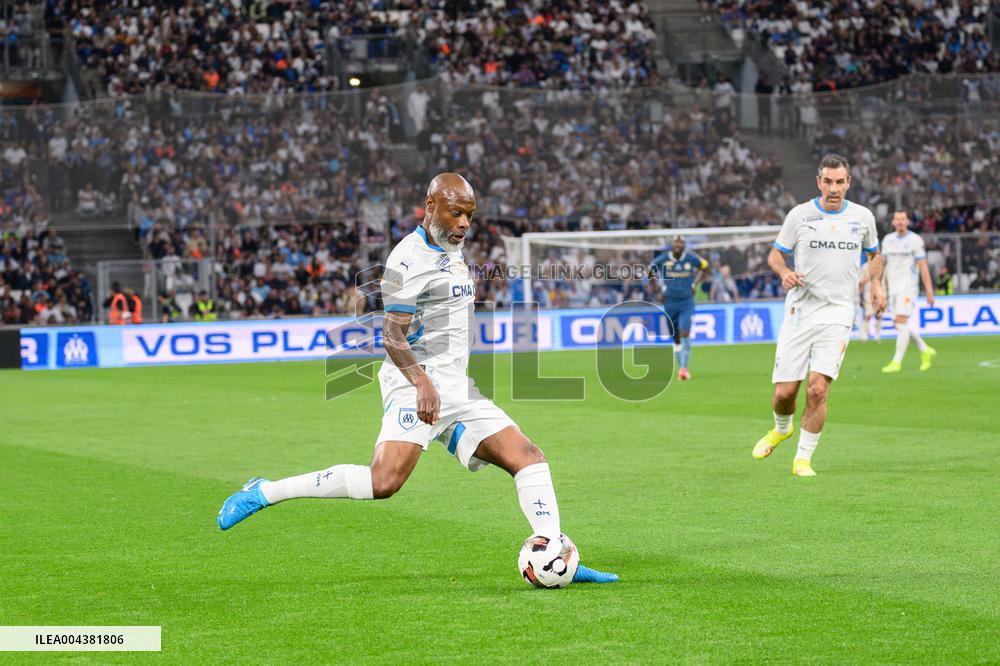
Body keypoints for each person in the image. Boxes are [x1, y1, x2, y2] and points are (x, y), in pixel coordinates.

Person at [217, 173, 618, 584]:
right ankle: (265, 491)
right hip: (415, 385)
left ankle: (555, 554)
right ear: (429, 206)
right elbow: (391, 334)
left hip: (456, 388)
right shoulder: (405, 261)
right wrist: (423, 383)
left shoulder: (451, 248)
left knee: (529, 459)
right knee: (384, 481)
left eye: (469, 215)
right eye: (455, 213)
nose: (464, 223)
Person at [752, 154, 885, 476]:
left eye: (840, 182)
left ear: (848, 183)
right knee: (785, 394)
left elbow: (874, 254)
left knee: (817, 388)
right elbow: (775, 254)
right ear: (819, 182)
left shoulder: (862, 217)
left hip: (838, 312)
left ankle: (803, 459)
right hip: (801, 310)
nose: (834, 188)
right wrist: (784, 271)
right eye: (828, 181)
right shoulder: (800, 215)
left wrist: (877, 285)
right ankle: (782, 428)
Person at [880, 211, 936, 373]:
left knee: (900, 323)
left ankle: (896, 362)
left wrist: (929, 291)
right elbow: (883, 265)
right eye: (897, 219)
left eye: (903, 219)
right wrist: (880, 288)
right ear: (893, 222)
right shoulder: (888, 240)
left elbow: (923, 266)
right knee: (899, 324)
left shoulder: (915, 240)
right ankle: (925, 350)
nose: (900, 222)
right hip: (893, 289)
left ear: (908, 222)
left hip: (908, 288)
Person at [650, 236, 708, 380]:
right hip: (669, 302)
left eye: (681, 243)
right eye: (676, 242)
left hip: (686, 301)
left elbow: (705, 267)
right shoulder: (663, 260)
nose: (678, 245)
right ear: (671, 245)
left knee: (684, 331)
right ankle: (681, 367)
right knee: (675, 336)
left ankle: (683, 368)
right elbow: (650, 271)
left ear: (684, 245)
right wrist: (657, 292)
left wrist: (695, 283)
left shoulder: (691, 258)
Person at [856, 257, 883, 343]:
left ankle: (877, 335)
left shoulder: (881, 266)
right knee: (868, 314)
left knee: (879, 315)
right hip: (868, 293)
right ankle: (864, 336)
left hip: (880, 293)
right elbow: (861, 282)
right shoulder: (864, 267)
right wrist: (860, 294)